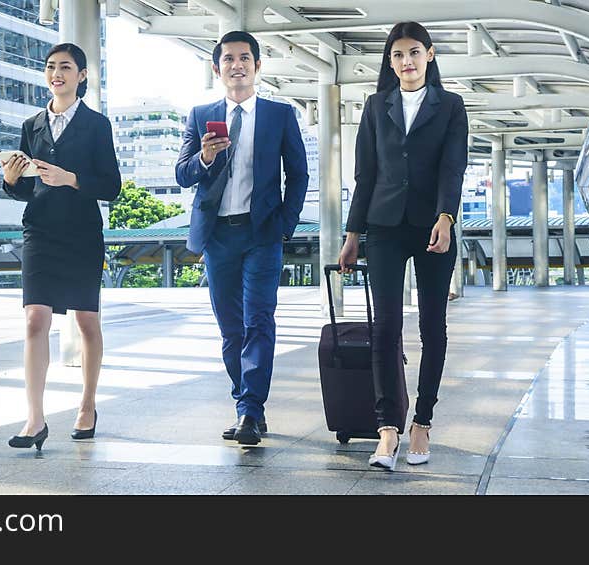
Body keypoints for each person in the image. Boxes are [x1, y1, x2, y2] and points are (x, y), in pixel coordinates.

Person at [338, 22, 467, 470]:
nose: (406, 61)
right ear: (389, 61)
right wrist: (353, 235)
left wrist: (446, 218)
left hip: (435, 226)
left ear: (429, 55)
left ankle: (423, 422)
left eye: (414, 52)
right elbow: (365, 175)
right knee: (386, 328)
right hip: (385, 226)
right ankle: (388, 429)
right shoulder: (376, 106)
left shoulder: (450, 105)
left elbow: (454, 168)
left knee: (433, 328)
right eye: (398, 55)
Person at [176, 31, 308, 445]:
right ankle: (246, 402)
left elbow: (299, 174)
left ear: (257, 66)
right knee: (230, 327)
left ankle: (250, 410)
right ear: (217, 69)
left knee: (258, 321)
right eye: (229, 59)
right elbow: (182, 175)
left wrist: (285, 224)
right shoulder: (200, 115)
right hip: (218, 236)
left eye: (245, 58)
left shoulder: (279, 114)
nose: (237, 65)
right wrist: (205, 156)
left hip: (261, 234)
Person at [1, 43, 121, 450]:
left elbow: (112, 187)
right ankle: (34, 418)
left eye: (66, 67)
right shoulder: (32, 124)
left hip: (82, 233)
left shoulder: (97, 125)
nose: (57, 73)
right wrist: (12, 179)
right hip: (40, 231)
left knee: (87, 321)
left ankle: (87, 405)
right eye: (51, 67)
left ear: (81, 76)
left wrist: (72, 179)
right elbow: (25, 192)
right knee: (35, 318)